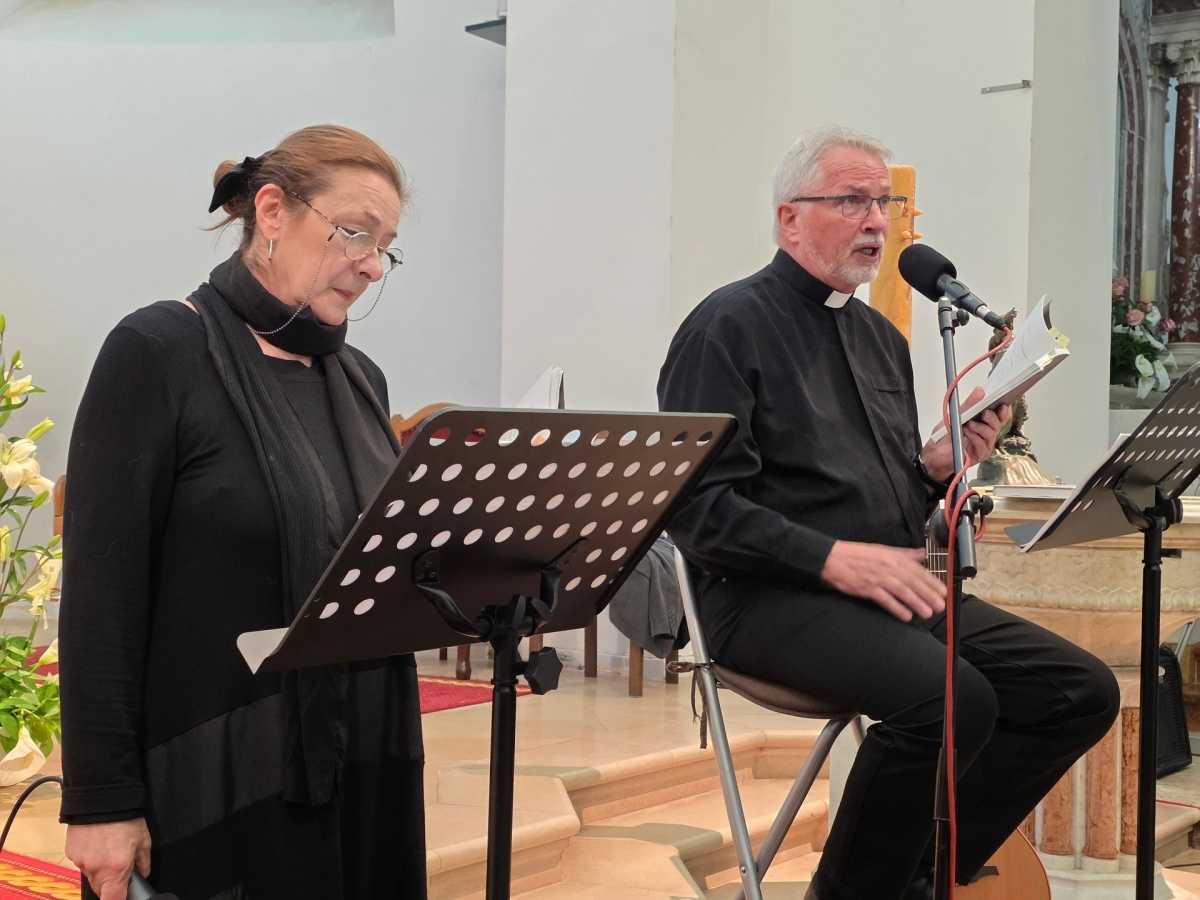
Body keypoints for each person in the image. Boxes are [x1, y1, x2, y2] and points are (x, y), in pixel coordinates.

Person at [657, 126, 1120, 900]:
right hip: (761, 596)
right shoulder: (725, 328)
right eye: (851, 201)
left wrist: (936, 469)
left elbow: (888, 502)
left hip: (884, 588)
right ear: (789, 218)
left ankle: (918, 874)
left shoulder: (880, 338)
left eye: (885, 203)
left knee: (1079, 691)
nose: (876, 220)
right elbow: (697, 512)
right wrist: (832, 558)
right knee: (953, 700)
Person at [59, 124, 426, 900]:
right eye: (355, 232)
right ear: (271, 212)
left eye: (385, 248)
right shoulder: (158, 352)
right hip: (215, 775)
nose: (370, 264)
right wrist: (100, 802)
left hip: (363, 760)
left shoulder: (362, 380)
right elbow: (100, 600)